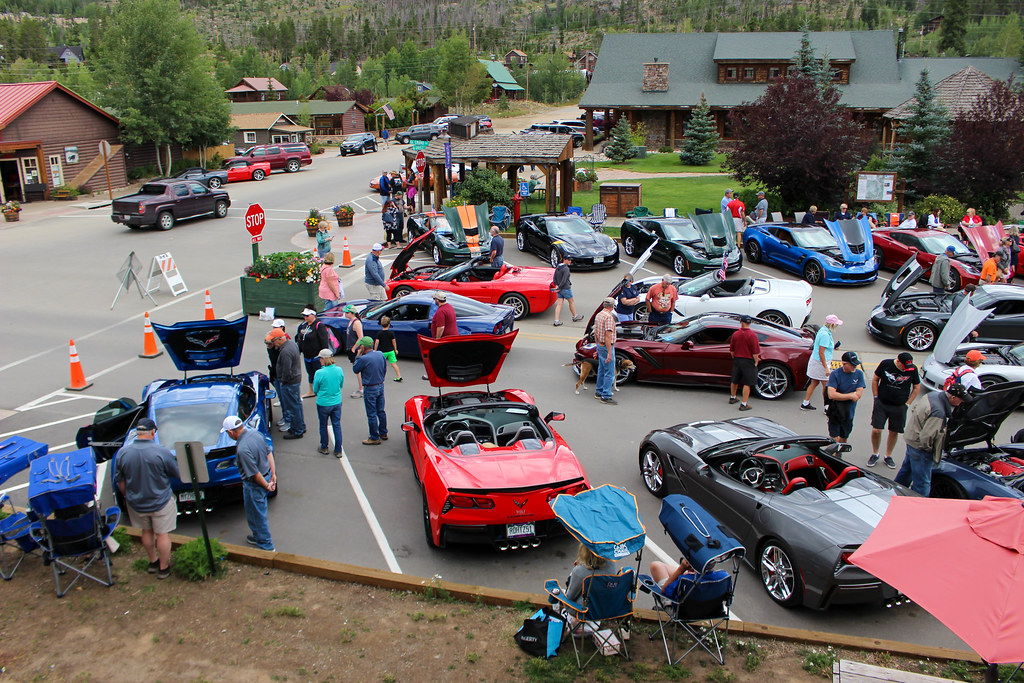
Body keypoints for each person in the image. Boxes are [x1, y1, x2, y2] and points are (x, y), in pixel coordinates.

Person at [113, 417, 179, 579]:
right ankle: (164, 568)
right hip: (160, 501)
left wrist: (127, 496)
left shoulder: (123, 453)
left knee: (146, 531)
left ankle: (153, 561)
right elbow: (176, 473)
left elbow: (120, 480)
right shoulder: (161, 451)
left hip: (136, 501)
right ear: (153, 432)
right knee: (162, 534)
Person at [894, 384, 968, 496]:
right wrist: (928, 450)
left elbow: (915, 409)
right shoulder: (938, 412)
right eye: (961, 400)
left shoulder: (932, 396)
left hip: (912, 439)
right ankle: (920, 504)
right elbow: (927, 437)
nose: (961, 403)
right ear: (953, 397)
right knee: (923, 483)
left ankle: (894, 493)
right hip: (921, 449)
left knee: (906, 471)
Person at [222, 416, 276, 551]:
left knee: (257, 515)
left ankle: (266, 545)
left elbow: (255, 474)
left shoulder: (242, 449)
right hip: (267, 475)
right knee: (254, 512)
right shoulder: (256, 434)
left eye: (227, 433)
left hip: (255, 485)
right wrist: (273, 475)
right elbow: (269, 454)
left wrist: (266, 485)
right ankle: (258, 536)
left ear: (231, 432)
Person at [868, 352, 921, 469]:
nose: (906, 369)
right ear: (898, 361)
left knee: (894, 431)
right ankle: (875, 453)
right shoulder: (886, 364)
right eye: (904, 366)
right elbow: (875, 379)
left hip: (899, 406)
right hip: (882, 403)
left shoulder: (912, 369)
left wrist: (908, 403)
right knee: (877, 430)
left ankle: (888, 455)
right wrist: (876, 397)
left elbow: (917, 387)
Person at [267, 328, 304, 439]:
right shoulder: (292, 345)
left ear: (279, 339)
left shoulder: (285, 352)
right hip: (295, 380)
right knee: (297, 405)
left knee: (292, 407)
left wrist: (282, 381)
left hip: (289, 383)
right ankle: (300, 426)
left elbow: (286, 371)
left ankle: (297, 430)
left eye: (273, 341)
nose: (273, 343)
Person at [801, 314, 842, 411]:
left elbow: (822, 348)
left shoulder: (823, 331)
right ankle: (827, 407)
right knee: (827, 386)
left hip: (816, 361)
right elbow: (821, 353)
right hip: (821, 363)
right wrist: (826, 368)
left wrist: (833, 347)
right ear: (832, 325)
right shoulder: (825, 335)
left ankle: (805, 403)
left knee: (814, 383)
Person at [352, 336, 388, 445]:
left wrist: (358, 356)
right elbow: (384, 368)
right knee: (381, 411)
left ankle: (374, 437)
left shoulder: (364, 359)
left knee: (371, 413)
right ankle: (383, 432)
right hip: (380, 385)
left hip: (370, 387)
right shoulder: (380, 354)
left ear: (363, 347)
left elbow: (355, 369)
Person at [826, 351, 866, 444]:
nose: (855, 366)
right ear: (844, 364)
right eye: (852, 364)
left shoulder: (859, 374)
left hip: (849, 412)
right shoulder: (835, 374)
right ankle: (834, 451)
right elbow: (831, 394)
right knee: (834, 438)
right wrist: (850, 395)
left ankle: (840, 450)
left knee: (844, 437)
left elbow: (858, 395)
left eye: (856, 364)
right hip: (835, 411)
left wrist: (840, 396)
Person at [312, 349, 343, 457]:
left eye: (320, 359)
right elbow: (341, 384)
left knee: (323, 425)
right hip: (336, 402)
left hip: (323, 403)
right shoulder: (339, 370)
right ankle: (338, 450)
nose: (319, 360)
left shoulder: (319, 373)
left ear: (323, 359)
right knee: (337, 425)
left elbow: (315, 389)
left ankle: (324, 447)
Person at [295, 307, 331, 400]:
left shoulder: (319, 326)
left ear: (313, 315)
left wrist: (324, 356)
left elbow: (324, 342)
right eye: (304, 316)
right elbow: (299, 338)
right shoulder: (304, 325)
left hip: (317, 356)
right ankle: (311, 391)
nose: (305, 317)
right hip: (307, 356)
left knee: (320, 375)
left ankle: (325, 392)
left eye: (307, 316)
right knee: (310, 374)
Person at [728, 314, 760, 411]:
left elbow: (732, 350)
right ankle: (744, 404)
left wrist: (734, 357)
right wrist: (756, 361)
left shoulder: (736, 334)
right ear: (749, 323)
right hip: (748, 360)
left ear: (741, 322)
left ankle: (732, 397)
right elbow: (755, 352)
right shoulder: (753, 335)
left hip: (737, 359)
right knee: (747, 383)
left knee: (734, 380)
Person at [594, 297, 618, 405]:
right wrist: (609, 352)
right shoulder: (608, 317)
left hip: (600, 344)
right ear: (612, 306)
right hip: (606, 346)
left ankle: (599, 391)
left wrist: (597, 346)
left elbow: (596, 332)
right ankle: (606, 395)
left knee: (602, 370)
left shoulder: (599, 315)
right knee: (610, 372)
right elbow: (608, 335)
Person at [552, 255, 583, 326]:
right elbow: (564, 279)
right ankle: (575, 316)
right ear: (564, 259)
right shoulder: (566, 268)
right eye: (568, 260)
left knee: (559, 304)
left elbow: (554, 278)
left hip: (559, 289)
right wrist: (560, 287)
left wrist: (557, 286)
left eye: (570, 260)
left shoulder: (558, 267)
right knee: (571, 301)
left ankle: (556, 320)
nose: (570, 261)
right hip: (566, 288)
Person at [342, 305, 365, 398]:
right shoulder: (351, 322)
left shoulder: (356, 323)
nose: (345, 314)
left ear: (352, 313)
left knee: (358, 370)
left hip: (356, 350)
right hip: (351, 349)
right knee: (357, 369)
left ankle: (362, 389)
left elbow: (361, 337)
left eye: (347, 312)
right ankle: (361, 387)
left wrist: (354, 348)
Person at [374, 315, 402, 382]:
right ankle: (399, 376)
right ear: (389, 324)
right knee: (394, 364)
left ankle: (381, 378)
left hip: (383, 352)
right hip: (391, 351)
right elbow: (394, 342)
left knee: (382, 365)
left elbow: (376, 342)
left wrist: (375, 350)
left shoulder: (379, 333)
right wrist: (395, 349)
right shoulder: (391, 333)